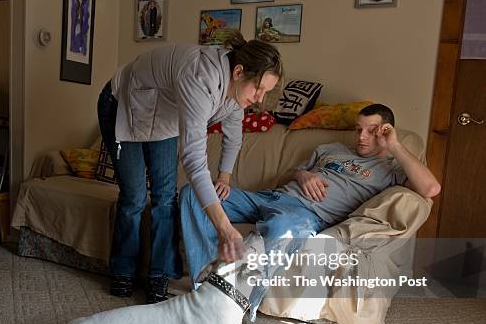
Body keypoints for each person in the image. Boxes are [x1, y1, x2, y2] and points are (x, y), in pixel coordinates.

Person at [180, 103, 441, 308]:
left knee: (283, 226)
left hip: (305, 214)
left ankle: (243, 303)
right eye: (358, 129)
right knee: (193, 193)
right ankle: (202, 288)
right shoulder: (332, 148)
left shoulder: (390, 169)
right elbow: (287, 175)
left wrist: (393, 145)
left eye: (371, 131)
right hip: (270, 197)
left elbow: (431, 189)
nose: (361, 137)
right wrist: (301, 174)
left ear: (386, 131)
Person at [97, 31, 282, 303]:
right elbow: (194, 160)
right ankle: (123, 271)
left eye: (265, 91)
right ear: (239, 72)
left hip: (163, 115)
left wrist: (225, 177)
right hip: (124, 103)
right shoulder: (200, 76)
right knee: (135, 196)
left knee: (165, 195)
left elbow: (234, 136)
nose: (259, 99)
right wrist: (224, 228)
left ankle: (159, 274)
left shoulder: (235, 92)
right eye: (258, 88)